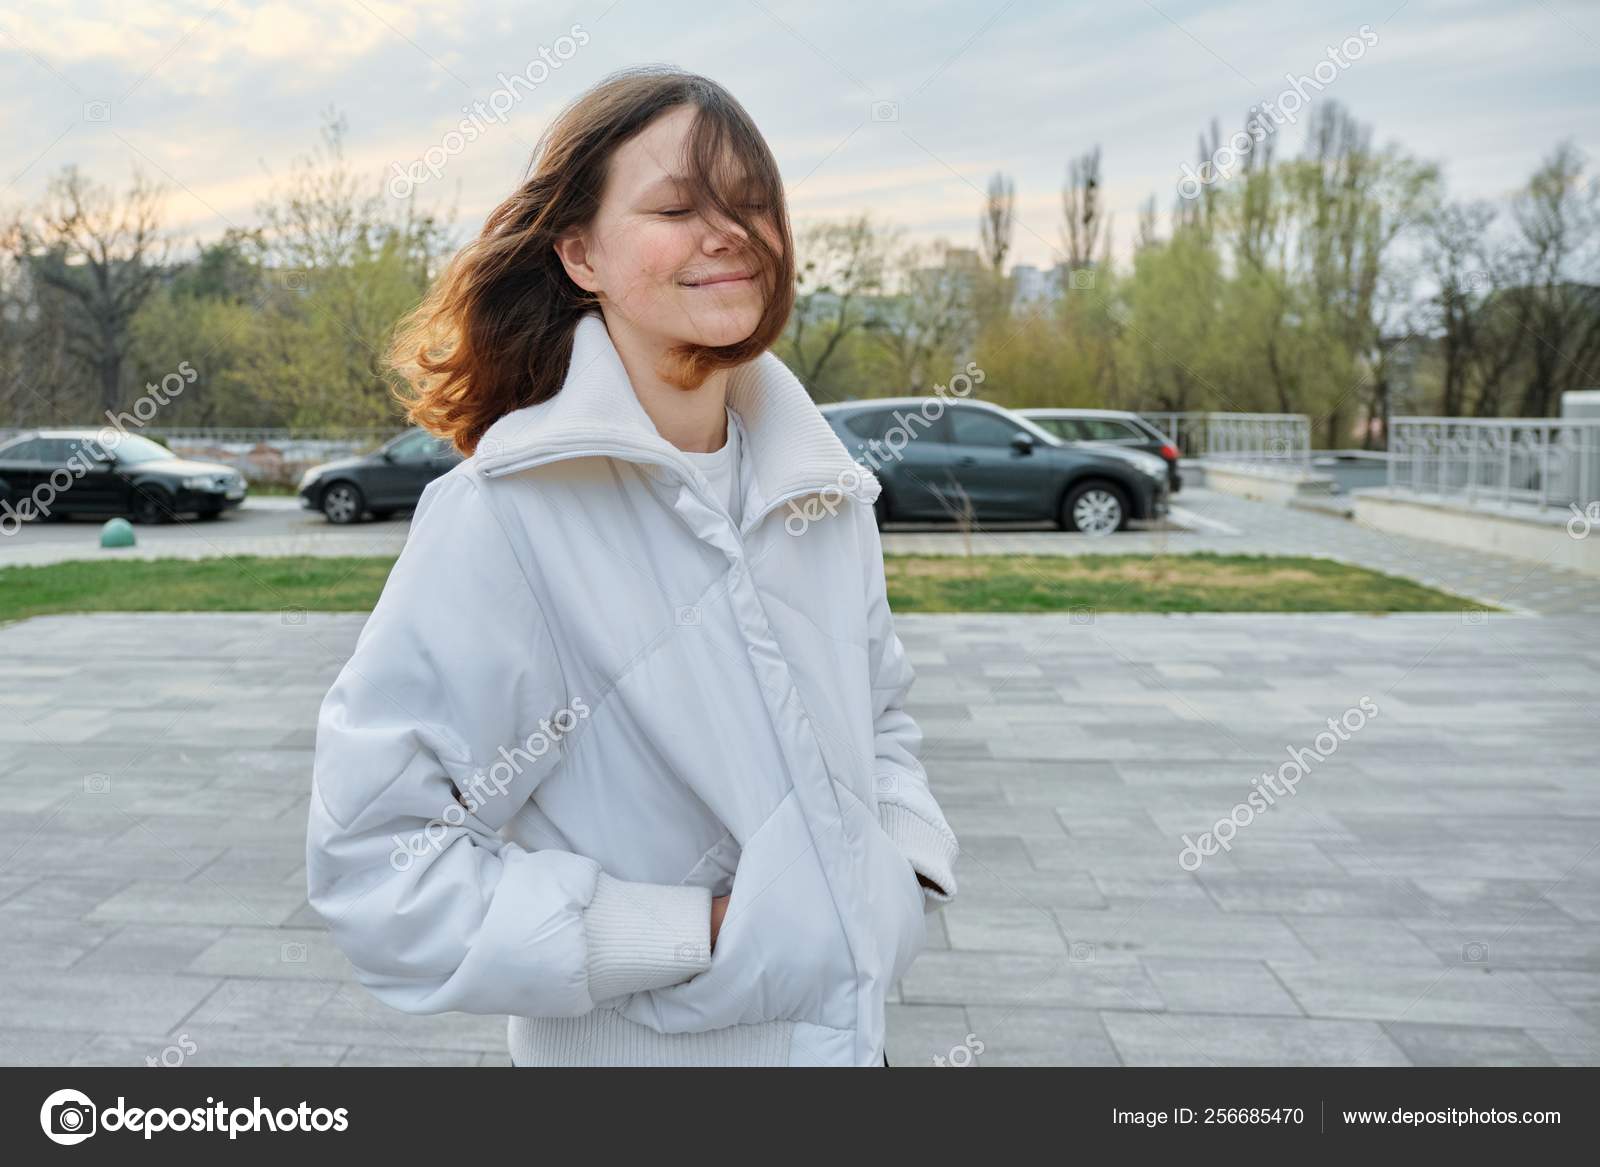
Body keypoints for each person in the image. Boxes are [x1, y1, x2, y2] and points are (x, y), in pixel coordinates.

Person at [304, 64, 959, 1068]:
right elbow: (377, 862)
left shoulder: (822, 492)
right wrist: (694, 935)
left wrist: (894, 872)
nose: (729, 232)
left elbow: (880, 722)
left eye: (750, 203)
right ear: (580, 253)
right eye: (673, 207)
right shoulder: (501, 515)